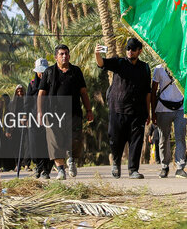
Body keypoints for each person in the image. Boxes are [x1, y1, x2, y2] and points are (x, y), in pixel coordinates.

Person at [96, 38, 151, 180]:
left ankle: (133, 170)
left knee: (136, 141)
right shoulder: (119, 63)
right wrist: (97, 54)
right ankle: (116, 162)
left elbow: (147, 92)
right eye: (128, 49)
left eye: (133, 49)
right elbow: (102, 63)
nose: (129, 51)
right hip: (117, 109)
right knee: (115, 139)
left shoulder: (145, 67)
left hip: (138, 111)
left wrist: (148, 112)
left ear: (140, 51)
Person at [38, 44, 94, 180]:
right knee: (55, 143)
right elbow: (41, 94)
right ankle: (61, 170)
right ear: (56, 57)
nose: (64, 56)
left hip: (73, 113)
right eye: (61, 54)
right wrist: (40, 113)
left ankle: (72, 160)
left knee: (75, 141)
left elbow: (83, 92)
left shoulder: (76, 71)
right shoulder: (49, 72)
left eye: (66, 54)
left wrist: (88, 110)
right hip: (52, 114)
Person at [151, 65, 187, 178]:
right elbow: (153, 91)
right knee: (163, 138)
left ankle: (180, 167)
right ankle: (164, 166)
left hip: (181, 108)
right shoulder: (159, 69)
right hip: (163, 108)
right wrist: (153, 112)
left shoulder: (183, 65)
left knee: (180, 137)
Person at [27, 58, 52, 179]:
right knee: (35, 145)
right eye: (39, 72)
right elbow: (27, 102)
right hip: (34, 119)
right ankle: (38, 166)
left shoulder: (52, 83)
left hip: (49, 118)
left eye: (43, 71)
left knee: (48, 144)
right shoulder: (32, 84)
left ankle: (46, 170)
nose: (41, 74)